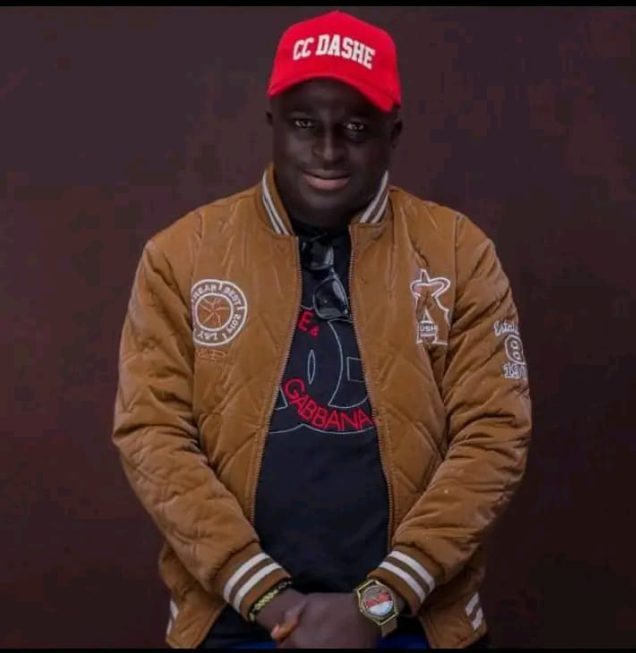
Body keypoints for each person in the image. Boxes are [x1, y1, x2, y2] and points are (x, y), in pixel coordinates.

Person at [112, 9, 532, 650]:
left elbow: (494, 434)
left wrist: (380, 602)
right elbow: (152, 434)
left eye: (355, 128)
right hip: (231, 618)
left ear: (393, 132)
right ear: (272, 122)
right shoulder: (181, 255)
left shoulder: (458, 252)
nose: (329, 150)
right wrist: (266, 597)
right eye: (305, 124)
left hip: (415, 619)